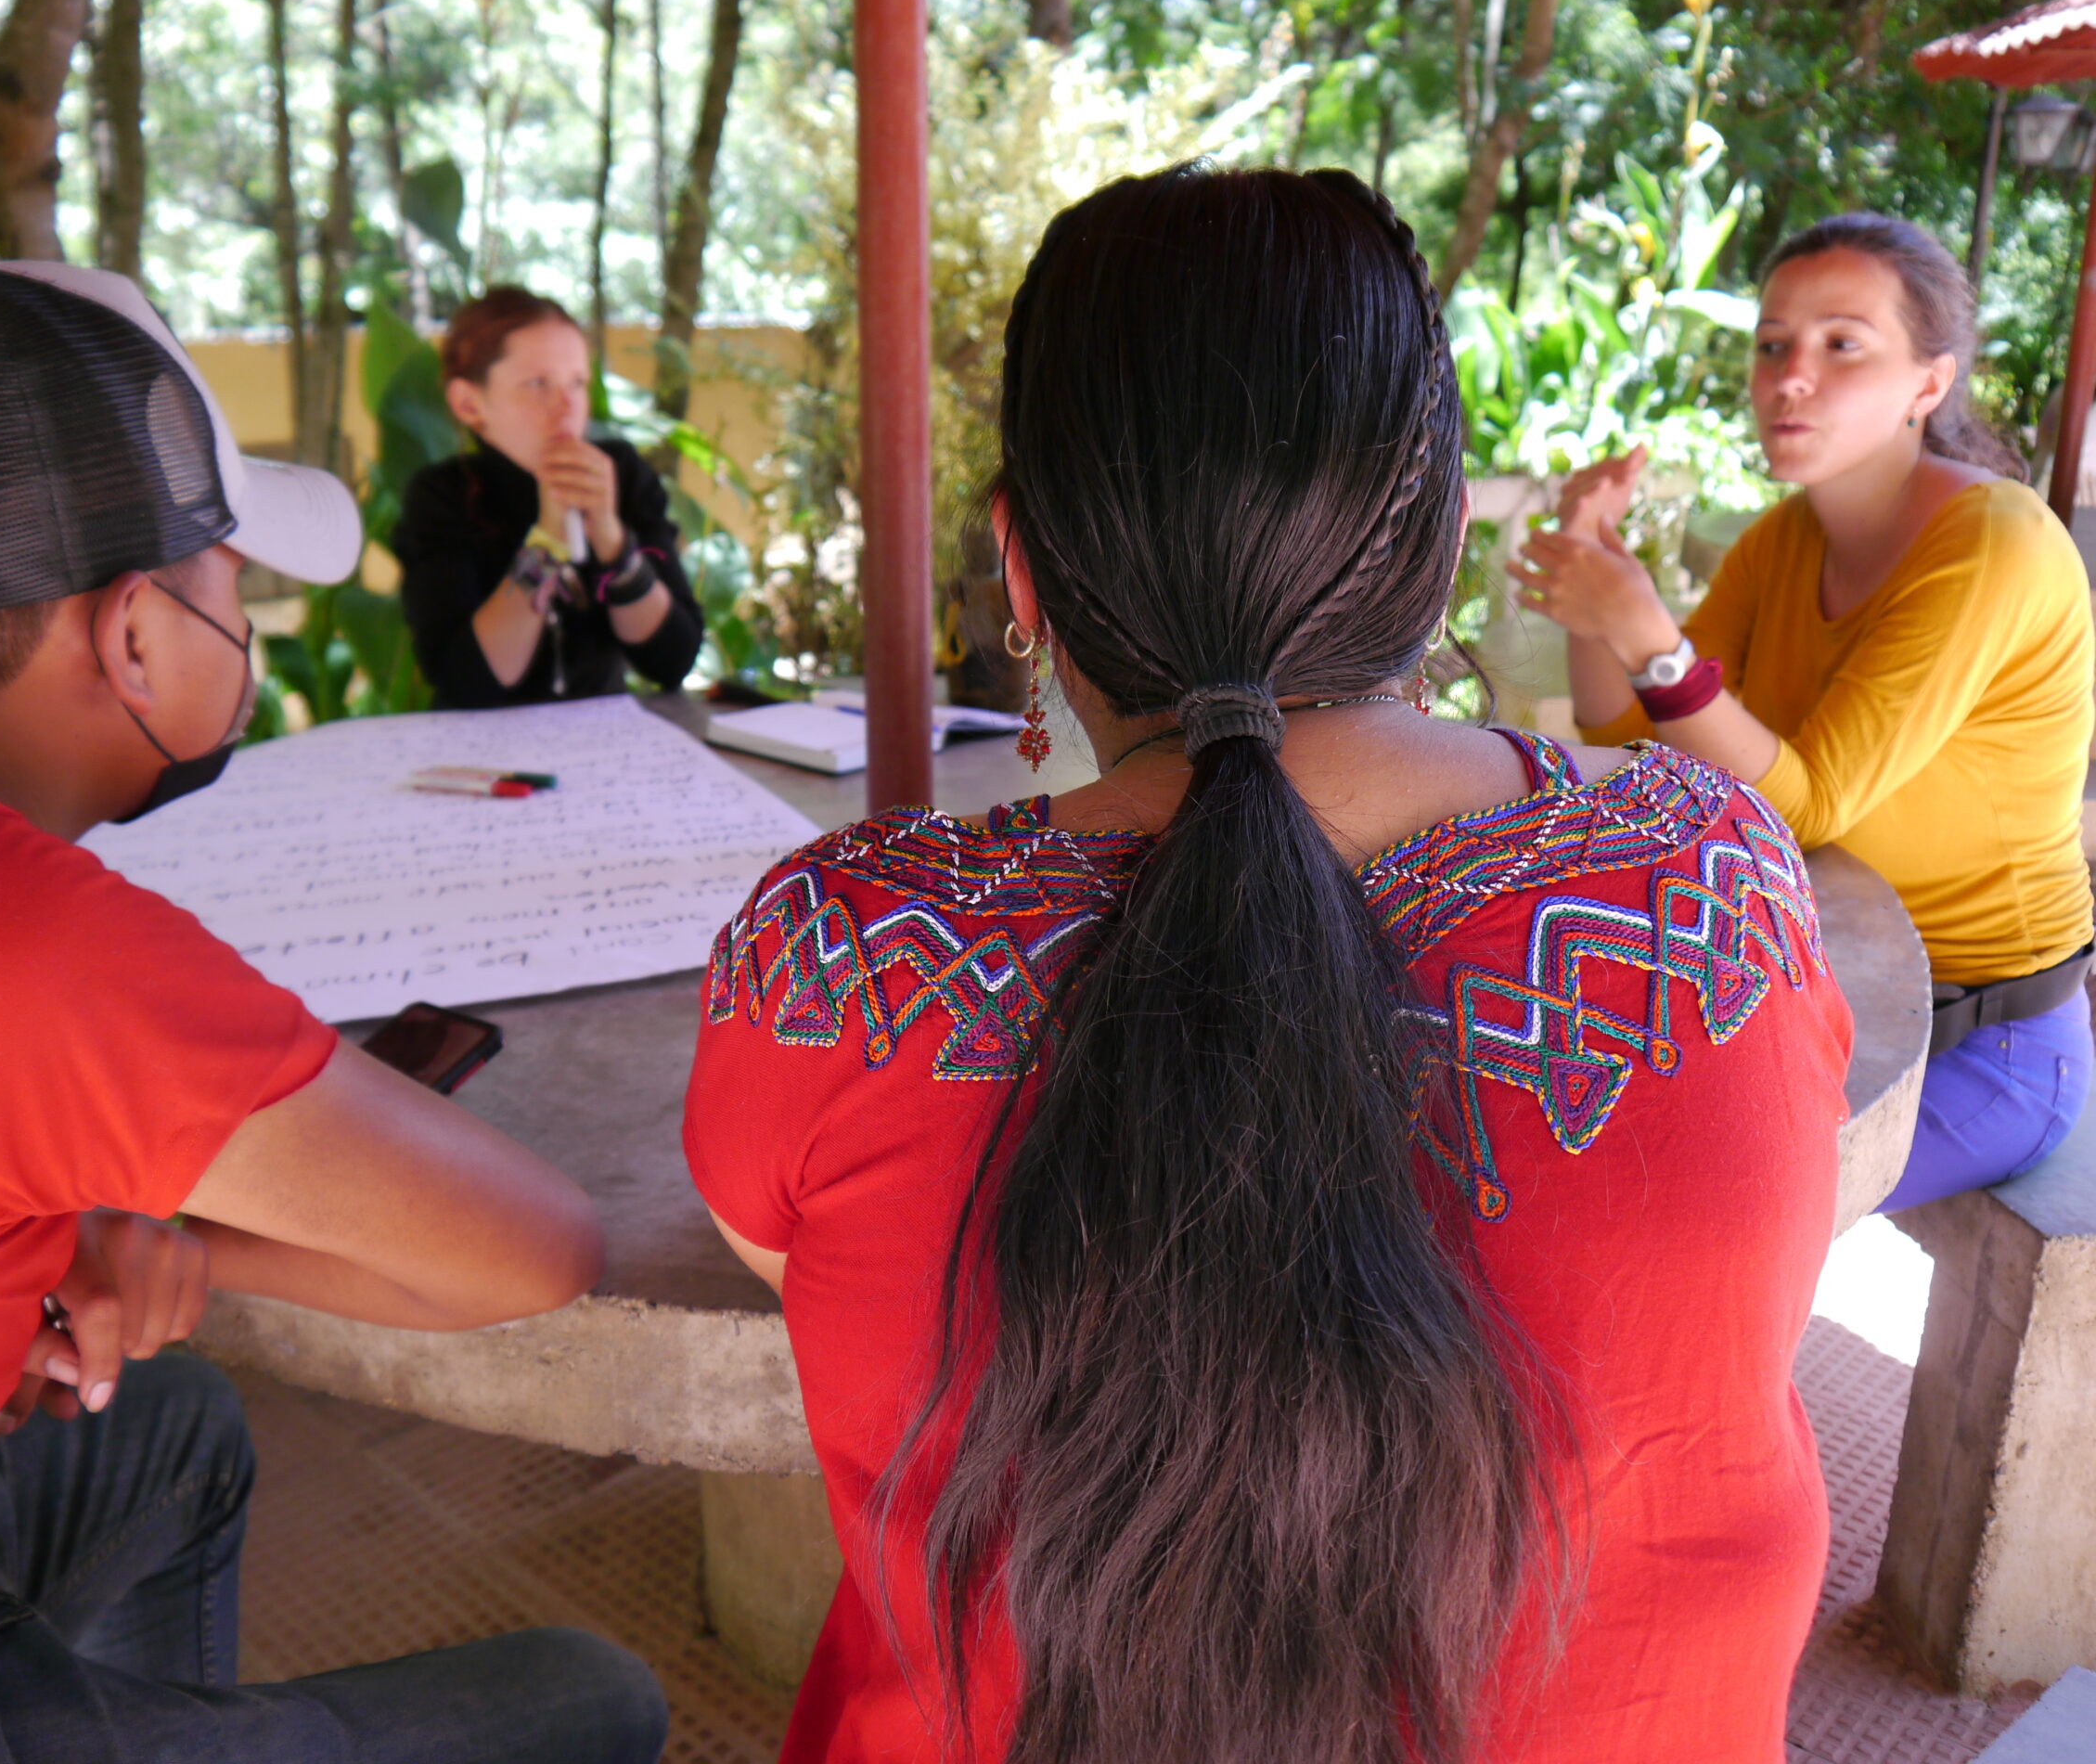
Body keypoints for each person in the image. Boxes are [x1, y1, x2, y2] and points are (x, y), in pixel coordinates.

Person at [685, 167, 1853, 1764]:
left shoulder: (841, 960)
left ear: (1022, 571)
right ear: (1443, 540)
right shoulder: (1711, 889)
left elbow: (781, 1259)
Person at [0, 257, 667, 1764]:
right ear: (135, 635)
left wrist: (68, 1236)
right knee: (591, 1699)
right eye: (233, 575)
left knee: (164, 1433)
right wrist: (168, 1243)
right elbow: (533, 1250)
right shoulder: (3, 938)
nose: (248, 612)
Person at [1513, 213, 2095, 1213]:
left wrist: (1650, 634)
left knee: (1689, 1223)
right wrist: (1592, 572)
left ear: (1927, 383)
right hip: (1810, 993)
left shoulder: (1993, 545)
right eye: (1773, 344)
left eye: (1842, 346)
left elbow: (1809, 801)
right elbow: (1634, 740)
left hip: (1986, 1044)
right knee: (1543, 1134)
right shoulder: (1784, 538)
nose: (1791, 376)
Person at [393, 287, 703, 707]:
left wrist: (612, 540)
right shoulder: (444, 496)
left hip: (607, 746)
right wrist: (548, 543)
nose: (566, 407)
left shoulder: (620, 474)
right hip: (488, 757)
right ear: (469, 403)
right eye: (538, 384)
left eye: (576, 383)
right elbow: (468, 681)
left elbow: (672, 660)